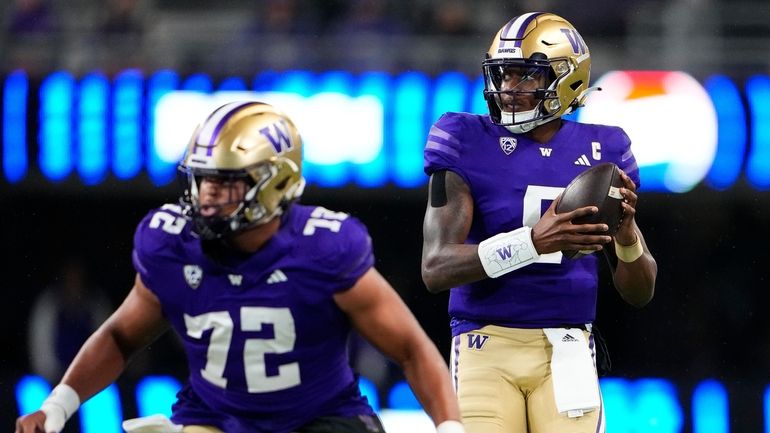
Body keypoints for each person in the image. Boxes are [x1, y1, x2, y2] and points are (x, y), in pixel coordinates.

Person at [16, 102, 465, 433]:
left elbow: (409, 348)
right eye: (202, 179)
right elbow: (119, 336)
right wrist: (56, 407)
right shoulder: (171, 243)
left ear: (277, 184)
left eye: (225, 182)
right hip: (216, 419)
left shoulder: (325, 249)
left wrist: (450, 428)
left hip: (318, 420)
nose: (207, 194)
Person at [420, 12, 657, 433]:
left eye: (524, 76)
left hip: (567, 349)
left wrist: (626, 236)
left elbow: (640, 292)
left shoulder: (607, 150)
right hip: (484, 344)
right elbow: (435, 267)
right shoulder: (463, 138)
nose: (508, 89)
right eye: (503, 75)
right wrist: (532, 241)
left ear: (566, 79)